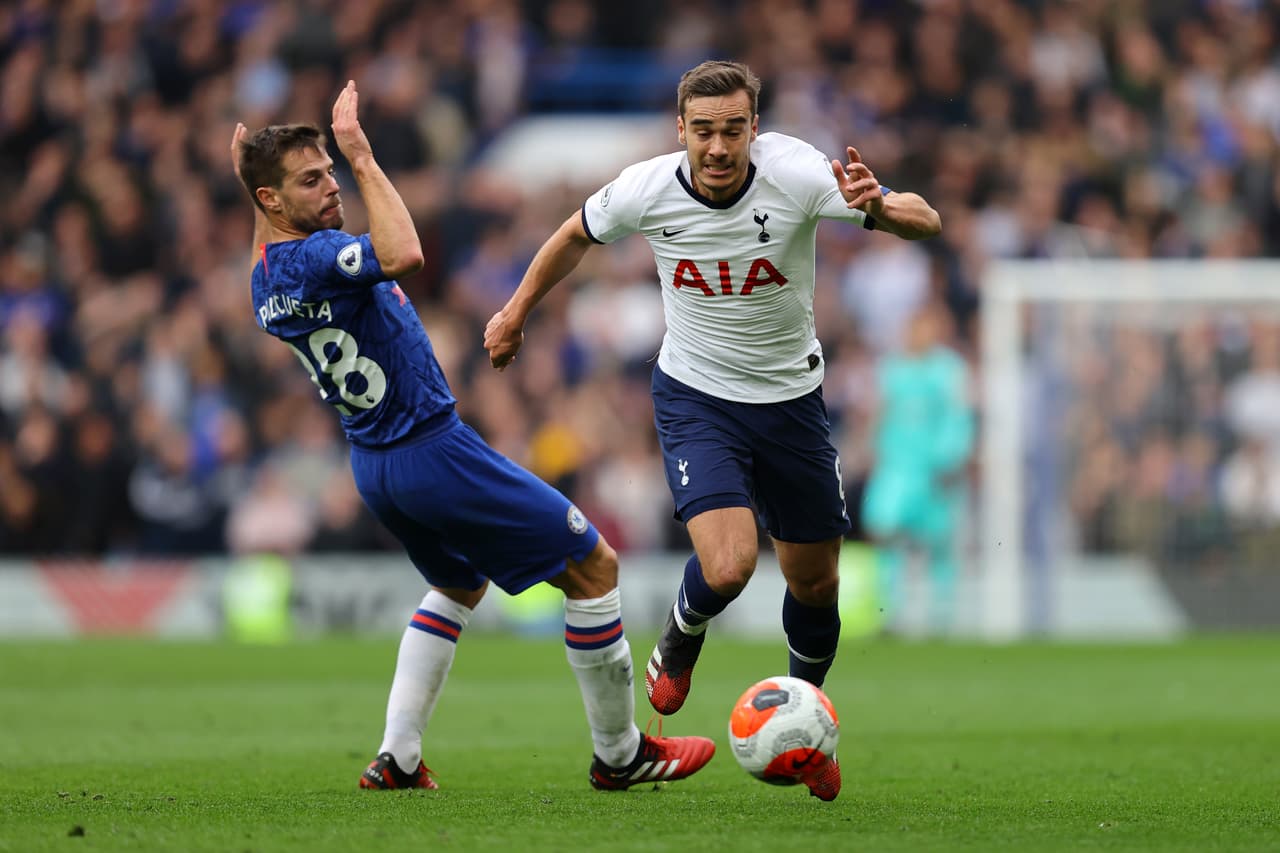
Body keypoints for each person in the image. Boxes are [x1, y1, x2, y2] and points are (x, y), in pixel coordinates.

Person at [233, 81, 715, 792]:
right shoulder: (320, 255)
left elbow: (270, 241)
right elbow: (404, 253)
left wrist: (253, 185)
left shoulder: (264, 278)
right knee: (594, 566)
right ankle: (620, 754)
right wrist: (362, 156)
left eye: (331, 171)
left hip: (374, 463)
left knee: (458, 583)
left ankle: (398, 755)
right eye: (312, 180)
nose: (331, 185)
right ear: (272, 200)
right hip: (430, 448)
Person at [484, 60, 942, 801]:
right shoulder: (647, 188)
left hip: (792, 401)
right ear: (681, 130)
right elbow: (573, 234)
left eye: (733, 130)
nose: (719, 147)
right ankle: (680, 636)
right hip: (698, 396)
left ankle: (806, 723)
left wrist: (880, 208)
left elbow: (927, 220)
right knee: (728, 565)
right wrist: (515, 313)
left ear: (755, 128)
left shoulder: (798, 173)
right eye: (704, 131)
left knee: (815, 581)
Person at [861, 303, 974, 632]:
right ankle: (888, 612)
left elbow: (960, 418)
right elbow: (879, 413)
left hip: (936, 472)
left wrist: (953, 457)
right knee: (886, 534)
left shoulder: (950, 370)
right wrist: (872, 448)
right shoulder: (891, 368)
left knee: (939, 544)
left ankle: (942, 616)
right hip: (897, 469)